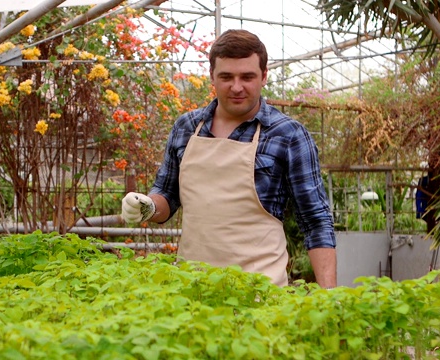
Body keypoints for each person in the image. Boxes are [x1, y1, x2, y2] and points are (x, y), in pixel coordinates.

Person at [122, 29, 336, 288]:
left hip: (260, 295)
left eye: (247, 76)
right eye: (226, 77)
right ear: (212, 76)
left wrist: (329, 299)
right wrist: (148, 206)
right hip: (191, 292)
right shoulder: (187, 127)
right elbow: (167, 194)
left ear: (264, 76)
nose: (236, 87)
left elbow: (315, 220)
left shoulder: (287, 135)